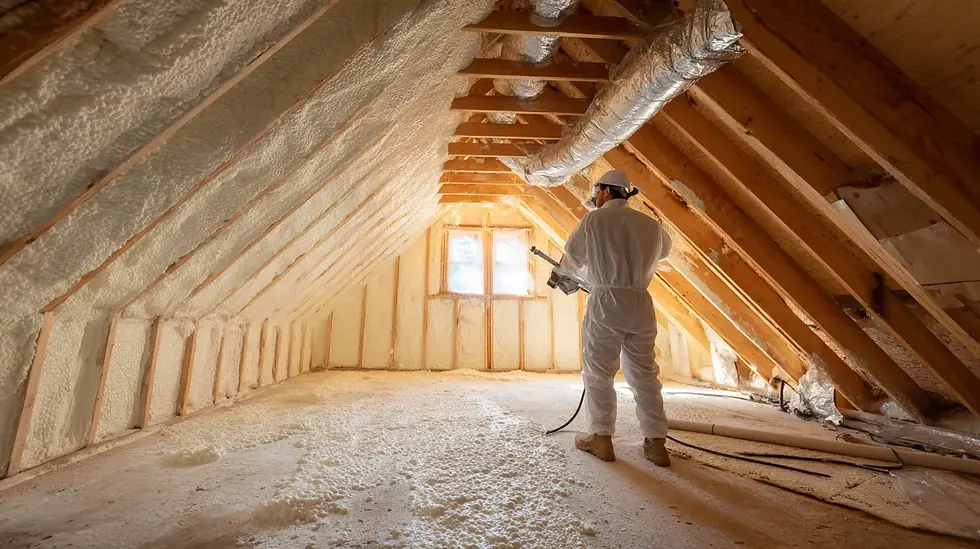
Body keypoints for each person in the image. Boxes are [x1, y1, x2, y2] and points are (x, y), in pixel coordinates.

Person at [557, 169, 672, 466]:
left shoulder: (594, 220)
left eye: (596, 191)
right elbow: (664, 251)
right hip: (640, 303)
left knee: (599, 372)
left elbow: (571, 259)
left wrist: (575, 275)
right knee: (645, 374)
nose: (594, 197)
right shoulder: (651, 225)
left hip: (607, 301)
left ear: (606, 191)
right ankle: (656, 443)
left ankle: (601, 439)